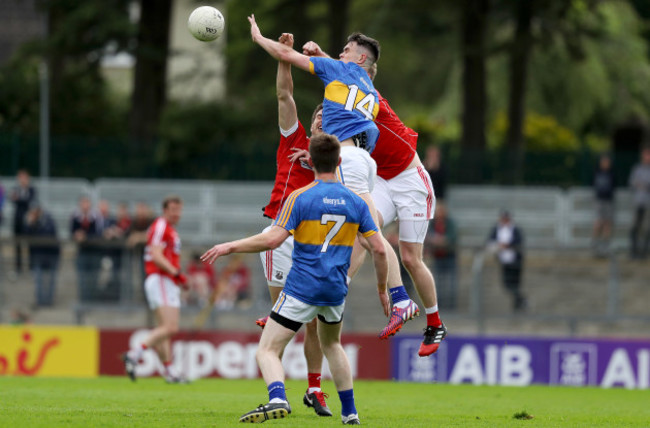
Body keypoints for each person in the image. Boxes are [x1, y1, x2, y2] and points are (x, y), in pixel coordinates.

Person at [201, 134, 389, 425]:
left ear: (310, 161)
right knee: (333, 346)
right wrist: (382, 289)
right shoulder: (357, 202)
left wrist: (230, 246)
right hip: (335, 291)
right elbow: (378, 248)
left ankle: (278, 398)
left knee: (267, 349)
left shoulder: (299, 198)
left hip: (302, 288)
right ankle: (350, 412)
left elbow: (273, 240)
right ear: (339, 162)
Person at [301, 43, 446, 356]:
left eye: (346, 50)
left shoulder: (367, 96)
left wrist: (320, 56)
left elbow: (346, 74)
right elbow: (342, 73)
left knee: (410, 257)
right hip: (381, 178)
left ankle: (434, 323)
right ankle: (334, 293)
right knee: (360, 230)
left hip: (410, 179)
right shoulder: (347, 95)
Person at [252, 31, 330, 416]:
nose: (320, 119)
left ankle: (314, 389)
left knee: (314, 324)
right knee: (280, 324)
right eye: (317, 114)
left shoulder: (338, 160)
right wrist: (284, 57)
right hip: (279, 235)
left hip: (314, 241)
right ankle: (277, 390)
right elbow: (284, 96)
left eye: (326, 117)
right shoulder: (293, 138)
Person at [122, 195, 189, 383]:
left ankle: (169, 371)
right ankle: (134, 353)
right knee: (171, 327)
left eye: (179, 210)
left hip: (164, 280)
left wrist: (176, 275)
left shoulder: (168, 229)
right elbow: (156, 255)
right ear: (165, 210)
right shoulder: (161, 226)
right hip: (161, 278)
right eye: (173, 210)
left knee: (164, 329)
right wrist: (177, 273)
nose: (177, 214)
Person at [487, 210, 526, 311]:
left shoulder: (515, 229)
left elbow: (519, 241)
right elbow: (490, 240)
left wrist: (508, 245)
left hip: (515, 261)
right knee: (506, 284)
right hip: (504, 261)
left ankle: (517, 304)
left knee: (515, 283)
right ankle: (520, 300)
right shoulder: (496, 229)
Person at [24, 203, 60, 307]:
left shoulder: (48, 220)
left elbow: (48, 235)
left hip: (51, 255)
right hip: (37, 255)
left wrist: (35, 226)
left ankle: (49, 301)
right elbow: (26, 237)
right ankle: (40, 301)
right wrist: (30, 224)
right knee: (38, 280)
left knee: (50, 280)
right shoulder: (30, 223)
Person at [425, 202, 458, 310]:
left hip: (449, 257)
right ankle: (439, 304)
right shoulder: (432, 223)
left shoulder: (450, 223)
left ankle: (451, 305)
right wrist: (438, 241)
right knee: (437, 283)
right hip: (437, 257)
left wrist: (440, 241)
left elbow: (451, 238)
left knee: (451, 283)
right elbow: (428, 236)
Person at [70, 195, 101, 301]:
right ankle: (83, 299)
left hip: (94, 252)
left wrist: (86, 236)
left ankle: (92, 299)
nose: (85, 205)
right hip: (82, 252)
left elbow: (98, 233)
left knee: (93, 277)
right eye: (83, 203)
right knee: (82, 277)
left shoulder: (96, 217)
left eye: (86, 203)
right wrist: (77, 235)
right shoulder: (75, 217)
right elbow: (72, 233)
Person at [10, 169, 37, 273]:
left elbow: (29, 201)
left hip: (28, 221)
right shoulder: (15, 189)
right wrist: (21, 200)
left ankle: (31, 267)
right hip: (17, 220)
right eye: (21, 177)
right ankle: (18, 268)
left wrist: (19, 199)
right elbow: (13, 200)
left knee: (30, 244)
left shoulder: (31, 190)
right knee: (17, 245)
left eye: (24, 177)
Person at [592, 153, 616, 257]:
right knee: (598, 222)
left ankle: (605, 246)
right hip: (599, 200)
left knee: (607, 223)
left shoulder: (611, 174)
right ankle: (595, 244)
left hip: (608, 200)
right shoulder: (597, 173)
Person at [628, 146, 650, 259]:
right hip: (637, 202)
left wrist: (642, 184)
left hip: (648, 203)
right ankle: (633, 251)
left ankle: (644, 253)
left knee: (646, 228)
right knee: (634, 227)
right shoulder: (637, 168)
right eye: (646, 155)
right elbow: (632, 183)